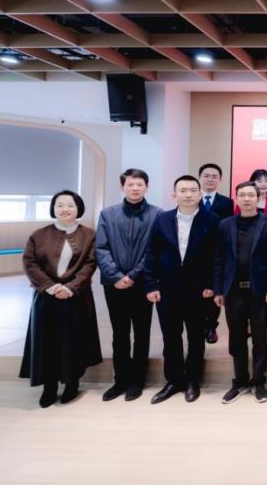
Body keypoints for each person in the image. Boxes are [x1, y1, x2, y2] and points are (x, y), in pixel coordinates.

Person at [20, 190, 101, 408]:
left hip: (77, 297)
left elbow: (90, 264)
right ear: (53, 208)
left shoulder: (90, 235)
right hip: (46, 297)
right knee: (46, 341)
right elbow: (29, 263)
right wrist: (51, 286)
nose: (65, 209)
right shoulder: (38, 235)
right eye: (60, 205)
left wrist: (71, 288)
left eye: (70, 205)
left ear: (78, 208)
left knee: (74, 340)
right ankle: (49, 386)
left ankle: (72, 383)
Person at [143, 175, 219, 404]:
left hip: (199, 290)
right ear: (174, 195)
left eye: (193, 190)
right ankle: (173, 380)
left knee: (196, 337)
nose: (188, 194)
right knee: (171, 337)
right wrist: (151, 284)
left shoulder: (212, 220)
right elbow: (151, 253)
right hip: (167, 289)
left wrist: (212, 285)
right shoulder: (162, 219)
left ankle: (193, 380)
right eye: (183, 190)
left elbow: (217, 256)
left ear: (200, 194)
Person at [95, 168, 162, 402]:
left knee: (142, 334)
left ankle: (137, 381)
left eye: (139, 184)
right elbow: (101, 248)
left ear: (147, 187)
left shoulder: (157, 214)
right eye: (130, 184)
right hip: (114, 285)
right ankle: (120, 380)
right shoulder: (108, 214)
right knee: (119, 333)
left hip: (143, 284)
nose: (135, 188)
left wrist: (133, 275)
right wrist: (115, 276)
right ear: (122, 187)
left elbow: (154, 250)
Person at [213, 181, 267, 404]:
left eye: (251, 195)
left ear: (258, 197)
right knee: (237, 337)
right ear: (236, 198)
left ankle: (259, 381)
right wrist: (218, 289)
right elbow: (219, 259)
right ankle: (240, 380)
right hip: (233, 290)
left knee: (260, 338)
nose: (246, 199)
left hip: (260, 291)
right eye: (242, 195)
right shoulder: (225, 224)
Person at [198, 163, 234, 344]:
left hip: (217, 253)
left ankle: (212, 326)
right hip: (195, 254)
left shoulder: (226, 202)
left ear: (219, 180)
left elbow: (227, 228)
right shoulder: (192, 198)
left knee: (214, 291)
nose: (210, 179)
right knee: (197, 291)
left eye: (214, 176)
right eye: (206, 176)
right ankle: (199, 325)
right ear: (200, 178)